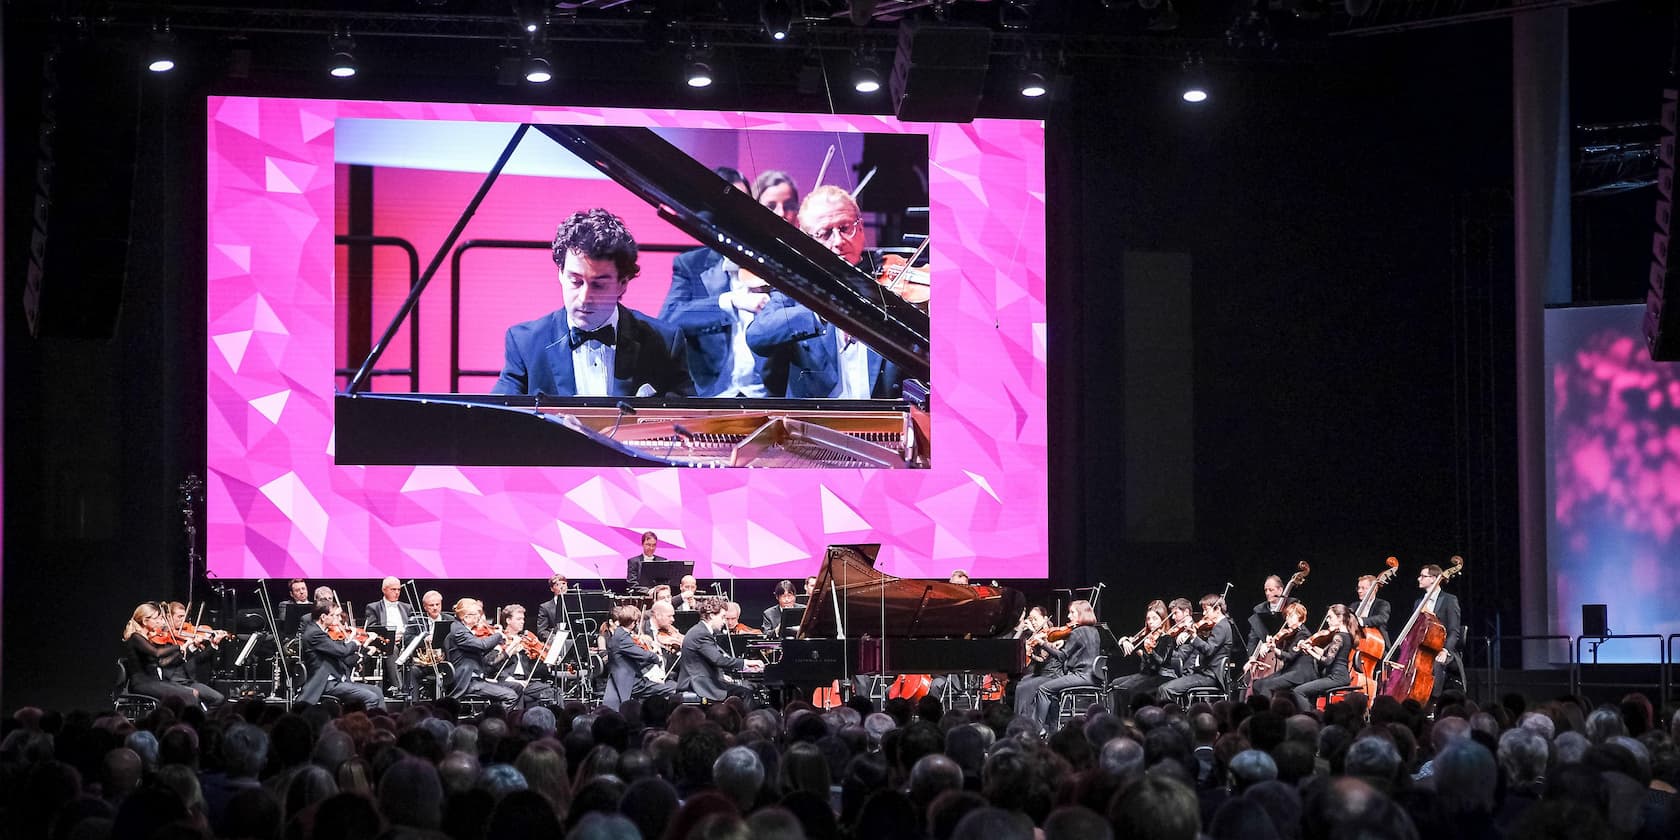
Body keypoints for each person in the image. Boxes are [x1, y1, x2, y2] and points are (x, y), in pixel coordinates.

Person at [491, 208, 692, 398]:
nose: (585, 297)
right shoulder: (524, 343)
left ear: (622, 284)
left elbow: (688, 423)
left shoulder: (665, 342)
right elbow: (499, 419)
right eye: (576, 281)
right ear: (560, 274)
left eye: (598, 285)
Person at [746, 187, 905, 399]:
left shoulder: (893, 281)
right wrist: (823, 312)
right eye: (825, 234)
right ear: (806, 240)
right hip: (817, 424)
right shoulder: (795, 287)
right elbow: (757, 336)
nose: (838, 242)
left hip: (886, 421)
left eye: (845, 227)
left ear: (861, 227)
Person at [658, 169, 777, 398]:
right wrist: (730, 301)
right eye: (724, 206)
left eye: (741, 204)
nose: (734, 215)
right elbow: (669, 320)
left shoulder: (775, 265)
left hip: (770, 400)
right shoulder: (691, 265)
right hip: (711, 399)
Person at [1015, 600, 1101, 726]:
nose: (1068, 616)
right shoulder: (1094, 631)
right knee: (1048, 689)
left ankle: (1038, 728)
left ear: (1081, 614)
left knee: (1044, 689)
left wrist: (1042, 644)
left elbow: (1062, 657)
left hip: (1081, 676)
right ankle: (1048, 725)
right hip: (1094, 676)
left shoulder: (1077, 632)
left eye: (1072, 613)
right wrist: (1063, 642)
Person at [122, 603, 224, 707]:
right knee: (189, 694)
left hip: (154, 681)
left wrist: (184, 649)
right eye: (156, 618)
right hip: (143, 683)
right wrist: (179, 647)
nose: (160, 621)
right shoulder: (135, 637)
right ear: (145, 621)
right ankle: (187, 721)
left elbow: (162, 662)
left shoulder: (146, 638)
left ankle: (188, 720)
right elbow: (157, 654)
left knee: (194, 692)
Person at [297, 602, 384, 709]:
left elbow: (344, 656)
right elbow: (341, 651)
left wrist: (363, 652)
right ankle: (364, 725)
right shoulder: (314, 634)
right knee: (371, 698)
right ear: (323, 617)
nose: (336, 619)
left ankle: (382, 724)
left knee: (377, 691)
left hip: (338, 680)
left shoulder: (322, 632)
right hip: (326, 683)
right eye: (333, 615)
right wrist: (355, 642)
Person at [674, 598, 761, 704]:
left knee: (743, 689)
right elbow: (718, 660)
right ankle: (745, 720)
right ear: (711, 616)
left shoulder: (702, 631)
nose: (725, 622)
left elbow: (708, 660)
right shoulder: (701, 633)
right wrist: (747, 663)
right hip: (698, 684)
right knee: (745, 693)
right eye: (723, 617)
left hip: (704, 679)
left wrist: (722, 675)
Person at [1159, 594, 1242, 704]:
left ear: (1217, 609)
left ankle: (1172, 717)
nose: (1203, 614)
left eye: (1206, 610)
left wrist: (1193, 637)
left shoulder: (1221, 626)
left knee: (1166, 689)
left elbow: (1208, 650)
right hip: (1205, 673)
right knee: (1164, 688)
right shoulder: (1220, 625)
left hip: (1210, 676)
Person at [443, 598, 520, 707]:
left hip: (477, 678)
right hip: (467, 682)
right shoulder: (459, 631)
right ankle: (493, 722)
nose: (479, 617)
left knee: (518, 688)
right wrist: (498, 635)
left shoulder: (464, 630)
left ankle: (513, 720)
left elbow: (479, 650)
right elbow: (482, 645)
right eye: (475, 614)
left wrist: (497, 645)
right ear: (466, 617)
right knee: (511, 696)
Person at [603, 605, 677, 710]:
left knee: (662, 689)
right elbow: (642, 654)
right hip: (632, 682)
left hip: (633, 678)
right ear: (634, 622)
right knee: (673, 689)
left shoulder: (621, 633)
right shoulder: (623, 638)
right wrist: (657, 657)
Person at [1108, 600, 1178, 711]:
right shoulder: (1146, 636)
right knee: (1115, 684)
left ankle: (1132, 720)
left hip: (1162, 675)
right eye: (1148, 619)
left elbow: (1161, 662)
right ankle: (1117, 717)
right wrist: (1124, 640)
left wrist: (1149, 651)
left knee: (1129, 689)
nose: (1150, 622)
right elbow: (1130, 641)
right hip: (1146, 674)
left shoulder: (1166, 638)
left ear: (1162, 619)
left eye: (1155, 619)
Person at [486, 605, 559, 706]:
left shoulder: (525, 640)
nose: (522, 621)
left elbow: (533, 668)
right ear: (508, 620)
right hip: (507, 680)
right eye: (519, 619)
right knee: (517, 688)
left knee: (554, 692)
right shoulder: (499, 639)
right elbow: (493, 665)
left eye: (523, 619)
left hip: (525, 681)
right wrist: (509, 678)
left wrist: (547, 663)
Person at [1290, 605, 1358, 712]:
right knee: (1309, 691)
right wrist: (1311, 647)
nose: (1327, 620)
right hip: (1340, 676)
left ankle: (1310, 718)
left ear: (1340, 618)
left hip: (1336, 677)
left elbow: (1327, 661)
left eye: (1330, 617)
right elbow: (1326, 653)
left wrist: (1310, 651)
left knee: (1298, 691)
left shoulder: (1338, 637)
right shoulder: (1346, 635)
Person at [1413, 564, 1465, 696]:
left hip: (1442, 649)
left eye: (1423, 576)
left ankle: (1434, 702)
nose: (1419, 579)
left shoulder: (1449, 600)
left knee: (1436, 663)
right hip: (1423, 649)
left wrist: (1445, 650)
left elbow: (1454, 631)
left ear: (1434, 578)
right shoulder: (1419, 602)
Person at [1245, 602, 1310, 697]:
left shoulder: (1303, 634)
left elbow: (1290, 656)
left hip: (1300, 673)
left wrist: (1274, 649)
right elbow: (1281, 653)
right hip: (1289, 670)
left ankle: (1270, 710)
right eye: (1287, 616)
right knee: (1257, 684)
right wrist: (1269, 645)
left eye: (1291, 616)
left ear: (1300, 616)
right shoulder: (1291, 633)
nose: (1287, 619)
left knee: (1267, 686)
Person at [363, 577, 414, 698]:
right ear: (384, 590)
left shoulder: (406, 607)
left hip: (405, 640)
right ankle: (397, 686)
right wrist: (390, 635)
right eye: (393, 589)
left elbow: (412, 626)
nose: (397, 592)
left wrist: (404, 635)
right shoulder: (373, 607)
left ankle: (412, 686)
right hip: (384, 641)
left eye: (398, 589)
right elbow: (371, 628)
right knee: (392, 649)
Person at [1247, 575, 1298, 656]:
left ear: (1280, 590)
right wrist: (1251, 657)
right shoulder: (1259, 609)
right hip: (1264, 654)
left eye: (1271, 590)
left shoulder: (1291, 605)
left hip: (1286, 652)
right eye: (1265, 590)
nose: (1267, 593)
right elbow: (1253, 637)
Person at [1353, 574, 1392, 648]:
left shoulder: (1382, 604)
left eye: (1363, 588)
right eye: (1358, 588)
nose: (1359, 591)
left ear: (1374, 589)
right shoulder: (1354, 605)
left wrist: (1361, 621)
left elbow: (1382, 618)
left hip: (1376, 645)